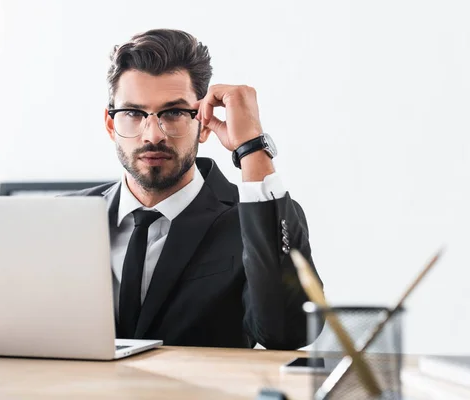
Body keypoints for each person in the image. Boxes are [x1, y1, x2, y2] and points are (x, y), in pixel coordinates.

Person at [66, 29, 322, 349]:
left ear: (202, 124)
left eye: (173, 113)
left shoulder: (252, 220)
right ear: (110, 124)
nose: (153, 135)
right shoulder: (59, 218)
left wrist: (253, 149)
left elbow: (288, 332)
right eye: (133, 113)